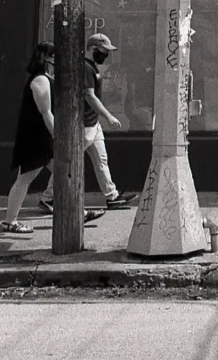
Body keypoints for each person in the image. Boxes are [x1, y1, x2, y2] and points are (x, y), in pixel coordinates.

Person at [2, 42, 103, 234]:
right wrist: (59, 137)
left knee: (64, 172)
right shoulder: (40, 80)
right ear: (47, 58)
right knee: (26, 178)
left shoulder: (47, 78)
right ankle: (10, 221)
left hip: (42, 137)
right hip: (37, 138)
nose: (59, 60)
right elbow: (46, 112)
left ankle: (78, 211)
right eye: (56, 57)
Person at [39, 34, 136, 213]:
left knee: (101, 160)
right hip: (84, 124)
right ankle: (49, 197)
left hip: (93, 123)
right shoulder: (85, 68)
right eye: (104, 51)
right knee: (68, 161)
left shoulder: (91, 67)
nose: (106, 55)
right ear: (93, 49)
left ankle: (111, 196)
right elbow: (89, 95)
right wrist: (109, 116)